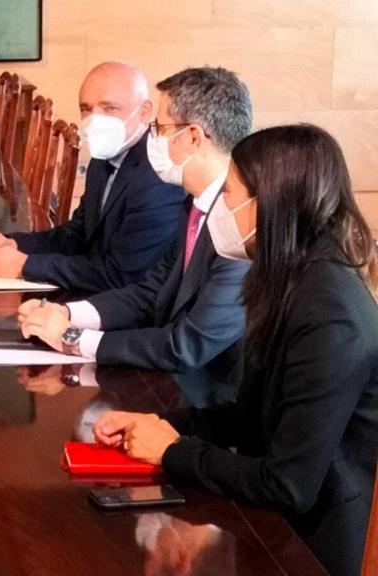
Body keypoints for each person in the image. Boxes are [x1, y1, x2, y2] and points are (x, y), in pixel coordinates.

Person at [93, 124, 378, 576]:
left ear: (269, 205)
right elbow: (250, 416)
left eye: (230, 192)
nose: (222, 207)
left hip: (309, 545)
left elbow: (288, 484)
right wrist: (160, 424)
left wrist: (172, 452)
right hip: (268, 514)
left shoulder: (329, 313)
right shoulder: (293, 278)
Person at [17, 68, 253, 403]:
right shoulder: (196, 204)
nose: (151, 139)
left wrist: (72, 338)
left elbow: (187, 346)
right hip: (166, 379)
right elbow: (149, 293)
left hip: (207, 404)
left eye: (159, 128)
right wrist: (68, 314)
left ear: (194, 137)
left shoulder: (240, 223)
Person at [0, 62, 186, 292]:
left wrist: (26, 265)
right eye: (86, 108)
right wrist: (14, 243)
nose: (95, 119)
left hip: (128, 308)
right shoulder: (103, 157)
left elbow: (122, 275)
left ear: (144, 111)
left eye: (110, 108)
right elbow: (77, 235)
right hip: (95, 290)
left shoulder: (158, 177)